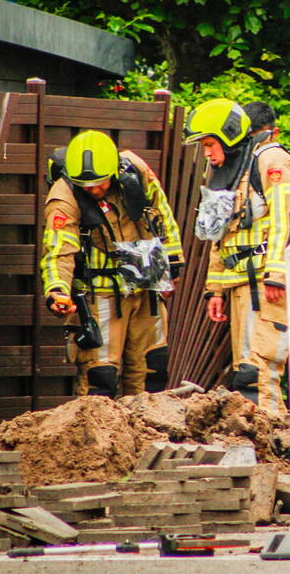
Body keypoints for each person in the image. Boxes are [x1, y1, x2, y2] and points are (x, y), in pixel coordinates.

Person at [183, 99, 290, 414]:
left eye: (210, 144)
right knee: (246, 373)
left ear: (227, 137)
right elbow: (220, 234)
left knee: (259, 375)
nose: (207, 153)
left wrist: (278, 275)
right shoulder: (231, 171)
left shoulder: (271, 162)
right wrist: (215, 289)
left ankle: (273, 447)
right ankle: (260, 446)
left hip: (266, 287)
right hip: (241, 285)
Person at [41, 130, 184, 398]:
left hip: (146, 286)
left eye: (101, 183)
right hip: (100, 293)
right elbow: (58, 251)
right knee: (100, 376)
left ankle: (147, 433)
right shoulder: (63, 197)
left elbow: (162, 213)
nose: (94, 190)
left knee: (151, 369)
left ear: (115, 171)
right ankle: (94, 436)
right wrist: (57, 290)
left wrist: (172, 264)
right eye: (87, 185)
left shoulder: (136, 170)